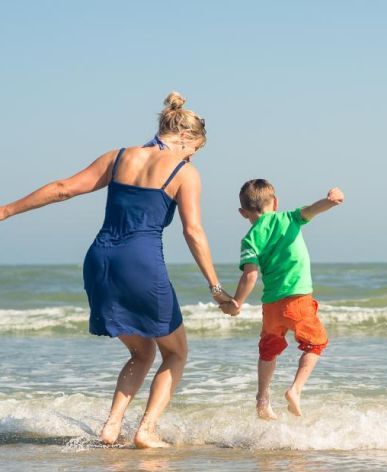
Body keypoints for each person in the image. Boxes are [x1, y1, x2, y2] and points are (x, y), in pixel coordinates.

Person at [0, 92, 235, 448]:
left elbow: (63, 189)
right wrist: (216, 288)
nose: (192, 157)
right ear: (186, 138)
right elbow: (193, 231)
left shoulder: (118, 157)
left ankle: (111, 427)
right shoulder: (185, 173)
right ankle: (146, 430)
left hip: (100, 260)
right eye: (194, 150)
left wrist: (7, 210)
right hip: (140, 261)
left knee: (141, 351)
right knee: (175, 353)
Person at [220, 179, 344, 419]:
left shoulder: (249, 239)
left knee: (268, 350)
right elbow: (311, 209)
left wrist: (237, 302)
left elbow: (251, 275)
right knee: (315, 344)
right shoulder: (288, 218)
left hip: (271, 305)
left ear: (243, 213)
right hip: (298, 299)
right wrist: (329, 202)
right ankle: (295, 390)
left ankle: (262, 400)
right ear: (275, 203)